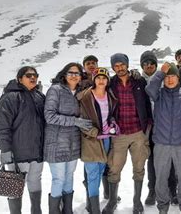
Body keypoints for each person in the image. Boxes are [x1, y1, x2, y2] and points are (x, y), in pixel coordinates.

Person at [145, 62, 181, 214]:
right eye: (167, 77)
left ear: (178, 78)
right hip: (161, 144)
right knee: (161, 179)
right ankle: (162, 207)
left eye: (172, 76)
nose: (169, 80)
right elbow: (149, 89)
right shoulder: (159, 94)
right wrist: (160, 73)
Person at [103, 53, 152, 214]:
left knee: (139, 167)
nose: (119, 68)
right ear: (112, 68)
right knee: (114, 167)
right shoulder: (110, 84)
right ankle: (112, 200)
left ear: (127, 64)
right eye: (116, 66)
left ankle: (137, 200)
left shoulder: (139, 81)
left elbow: (146, 103)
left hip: (138, 132)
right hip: (119, 134)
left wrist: (148, 125)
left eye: (122, 65)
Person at [0, 66, 46, 214]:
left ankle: (37, 211)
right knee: (14, 185)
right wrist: (5, 149)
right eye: (28, 75)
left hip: (37, 152)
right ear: (19, 79)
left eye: (35, 75)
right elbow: (2, 127)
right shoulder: (10, 97)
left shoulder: (39, 97)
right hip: (18, 153)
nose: (33, 77)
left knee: (35, 181)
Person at [44, 62, 93, 214]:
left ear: (80, 77)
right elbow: (49, 116)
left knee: (69, 177)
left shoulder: (80, 92)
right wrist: (75, 121)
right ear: (64, 75)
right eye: (70, 72)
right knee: (58, 179)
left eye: (77, 73)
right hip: (56, 143)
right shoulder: (55, 90)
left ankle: (67, 210)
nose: (73, 75)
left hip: (73, 143)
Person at [139, 50, 179, 206]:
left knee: (170, 159)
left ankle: (172, 189)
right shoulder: (138, 80)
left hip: (166, 125)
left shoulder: (164, 77)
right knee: (152, 160)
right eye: (146, 63)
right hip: (149, 127)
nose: (149, 66)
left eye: (151, 63)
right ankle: (153, 190)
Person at [77, 67, 118, 214]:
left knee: (100, 171)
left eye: (104, 78)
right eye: (98, 77)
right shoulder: (85, 97)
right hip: (91, 141)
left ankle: (91, 204)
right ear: (94, 80)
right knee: (92, 174)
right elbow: (81, 121)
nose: (101, 80)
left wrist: (112, 124)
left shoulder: (110, 96)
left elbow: (110, 116)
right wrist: (96, 133)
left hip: (106, 140)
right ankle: (94, 209)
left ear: (107, 81)